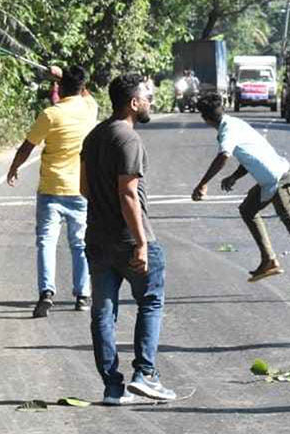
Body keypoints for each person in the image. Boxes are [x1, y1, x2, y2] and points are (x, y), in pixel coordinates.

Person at [192, 92, 290, 300]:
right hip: (269, 181)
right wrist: (235, 177)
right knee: (247, 209)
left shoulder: (227, 130)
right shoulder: (235, 124)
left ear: (206, 118)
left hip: (279, 180)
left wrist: (203, 183)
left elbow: (223, 156)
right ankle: (269, 260)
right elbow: (250, 156)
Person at [80, 73, 176, 405]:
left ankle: (112, 387)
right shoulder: (129, 140)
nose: (150, 101)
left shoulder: (93, 137)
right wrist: (141, 242)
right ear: (133, 103)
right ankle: (145, 374)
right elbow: (128, 195)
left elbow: (84, 188)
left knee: (103, 313)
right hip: (128, 238)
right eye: (146, 96)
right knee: (150, 301)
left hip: (97, 237)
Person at [8, 65, 98, 318]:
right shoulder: (90, 109)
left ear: (60, 88)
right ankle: (83, 295)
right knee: (79, 244)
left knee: (46, 243)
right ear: (81, 87)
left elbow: (27, 146)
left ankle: (46, 292)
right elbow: (86, 93)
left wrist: (14, 168)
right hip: (81, 188)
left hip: (50, 189)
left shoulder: (50, 115)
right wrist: (62, 76)